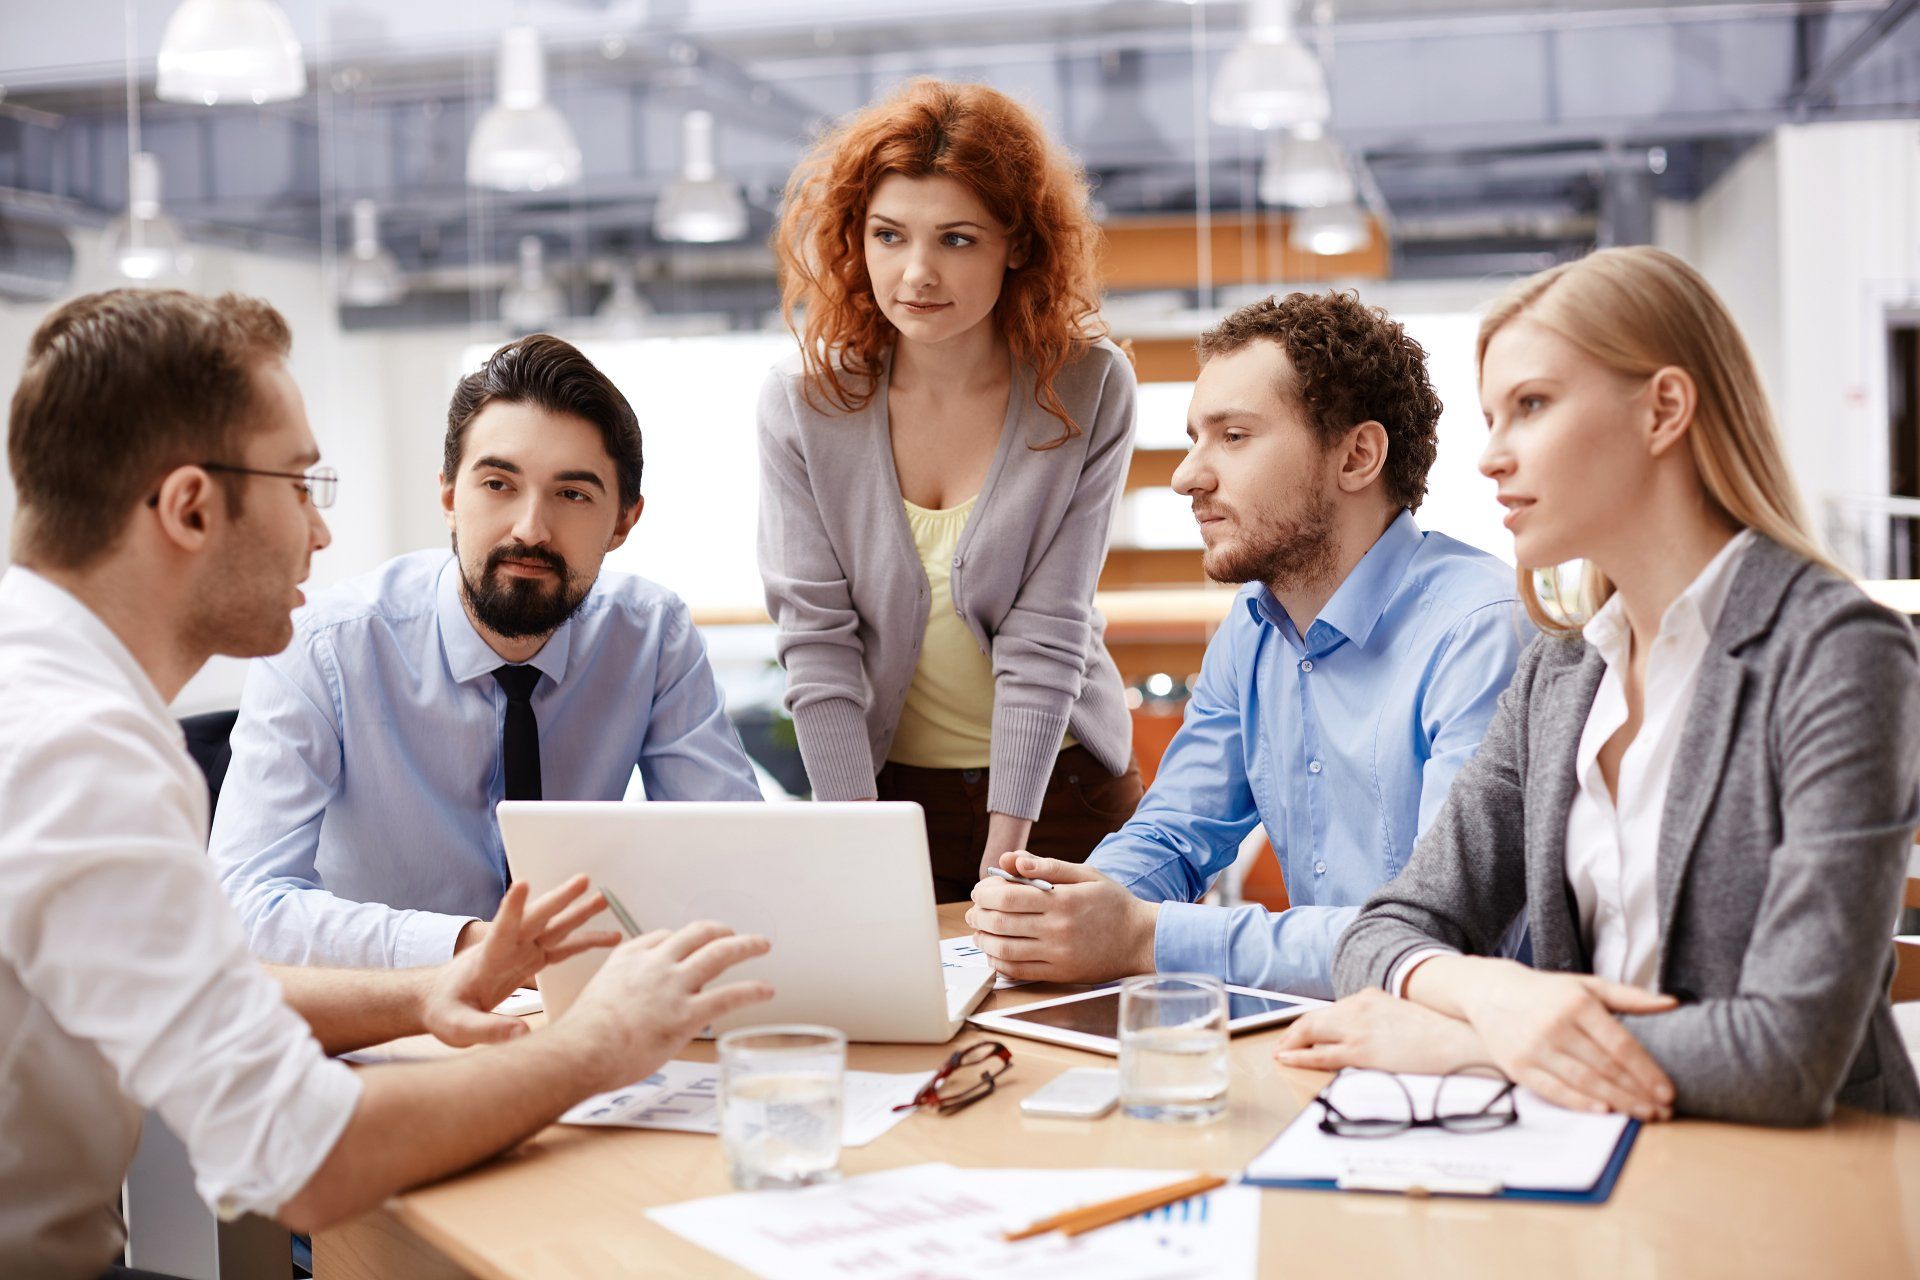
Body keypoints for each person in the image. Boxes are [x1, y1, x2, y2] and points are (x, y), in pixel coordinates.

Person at [0, 289, 774, 1279]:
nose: (320, 534)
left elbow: (208, 982)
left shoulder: (47, 698)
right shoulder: (81, 752)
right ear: (193, 505)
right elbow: (306, 1156)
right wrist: (599, 1043)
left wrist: (423, 991)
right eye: (299, 483)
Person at [1276, 246, 1920, 1126]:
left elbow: (1787, 1055)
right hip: (1605, 1155)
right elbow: (1385, 929)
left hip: (1805, 1179)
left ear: (1663, 409)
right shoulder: (1564, 667)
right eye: (1492, 417)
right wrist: (1498, 997)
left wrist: (1478, 1045)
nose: (1492, 458)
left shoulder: (1839, 652)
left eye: (1531, 407)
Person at [967, 291, 1526, 997]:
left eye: (1233, 437)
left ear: (1358, 455)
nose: (1186, 476)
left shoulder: (1481, 631)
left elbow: (1434, 940)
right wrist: (1065, 907)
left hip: (1464, 1050)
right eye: (1196, 437)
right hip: (1326, 1027)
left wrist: (1144, 937)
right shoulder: (1254, 627)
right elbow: (1175, 832)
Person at [211, 333, 761, 969]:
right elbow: (242, 905)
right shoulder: (324, 647)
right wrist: (475, 949)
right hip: (388, 1014)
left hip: (579, 1011)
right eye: (499, 484)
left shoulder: (651, 636)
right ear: (449, 497)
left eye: (572, 494)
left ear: (623, 522)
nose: (530, 528)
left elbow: (731, 859)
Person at [759, 78, 1143, 903]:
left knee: (1076, 1029)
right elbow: (817, 644)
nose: (918, 272)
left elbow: (1049, 629)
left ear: (1018, 243)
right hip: (884, 800)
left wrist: (1006, 856)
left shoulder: (1086, 384)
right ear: (854, 239)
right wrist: (856, 840)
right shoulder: (803, 404)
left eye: (958, 239)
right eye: (889, 235)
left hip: (1062, 794)